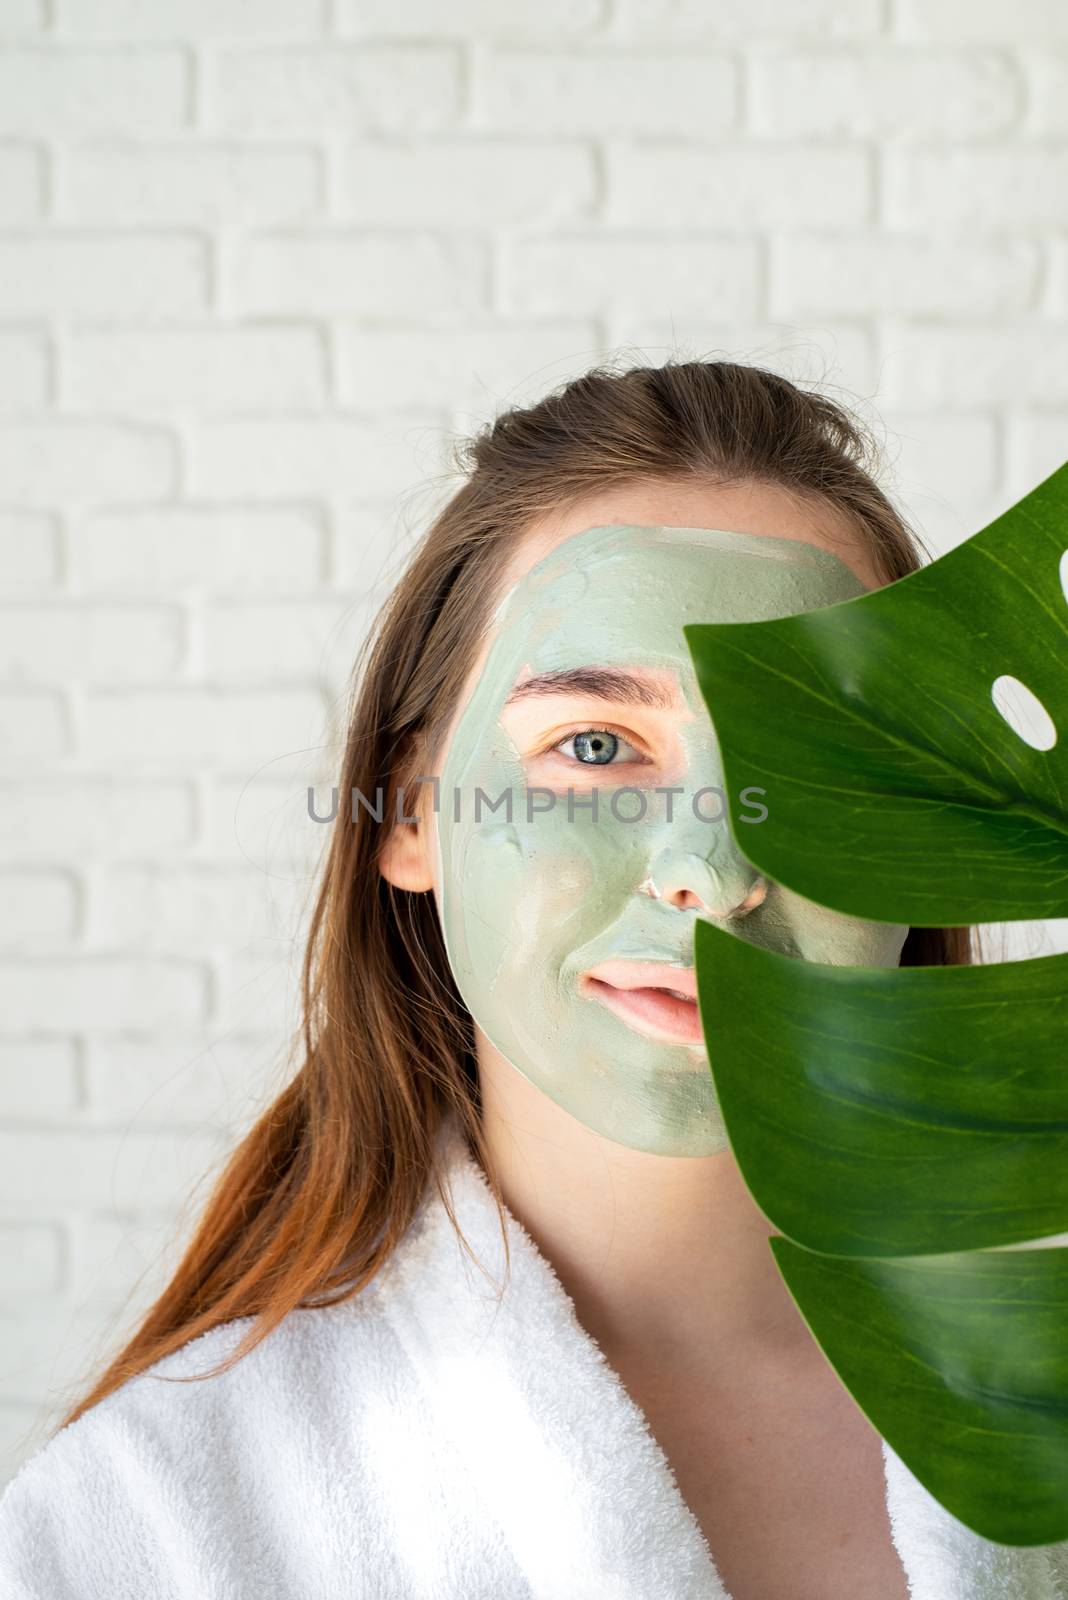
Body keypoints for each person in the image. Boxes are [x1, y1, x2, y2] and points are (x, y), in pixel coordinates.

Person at [1, 359, 1063, 1600]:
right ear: (409, 812)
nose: (711, 874)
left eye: (823, 761)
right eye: (598, 747)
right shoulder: (149, 1521)